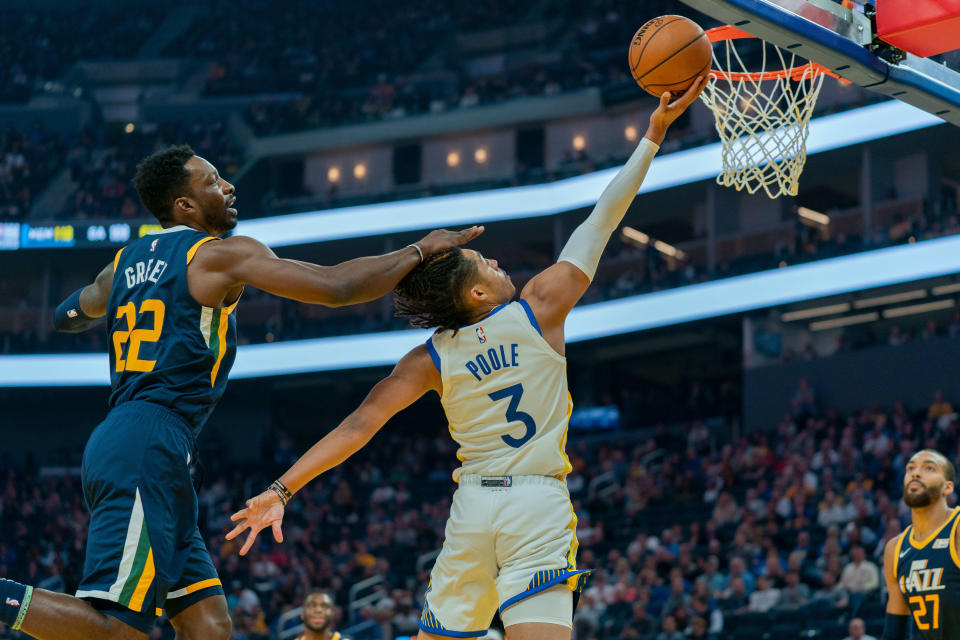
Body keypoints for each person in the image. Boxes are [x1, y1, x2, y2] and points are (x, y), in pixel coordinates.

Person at [226, 78, 706, 640]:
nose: (499, 263)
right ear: (477, 295)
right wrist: (651, 137)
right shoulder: (540, 308)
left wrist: (282, 489)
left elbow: (358, 426)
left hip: (474, 507)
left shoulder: (429, 358)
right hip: (536, 503)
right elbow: (599, 221)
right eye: (486, 263)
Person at [0, 144, 481, 640]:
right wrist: (420, 249)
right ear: (184, 205)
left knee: (210, 627)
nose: (227, 186)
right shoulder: (220, 254)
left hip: (143, 442)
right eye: (211, 181)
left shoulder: (120, 266)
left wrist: (110, 306)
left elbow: (66, 316)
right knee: (119, 630)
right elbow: (337, 288)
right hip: (149, 440)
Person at [882, 449, 960, 639]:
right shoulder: (895, 548)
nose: (915, 473)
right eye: (910, 468)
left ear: (947, 487)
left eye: (929, 468)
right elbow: (895, 631)